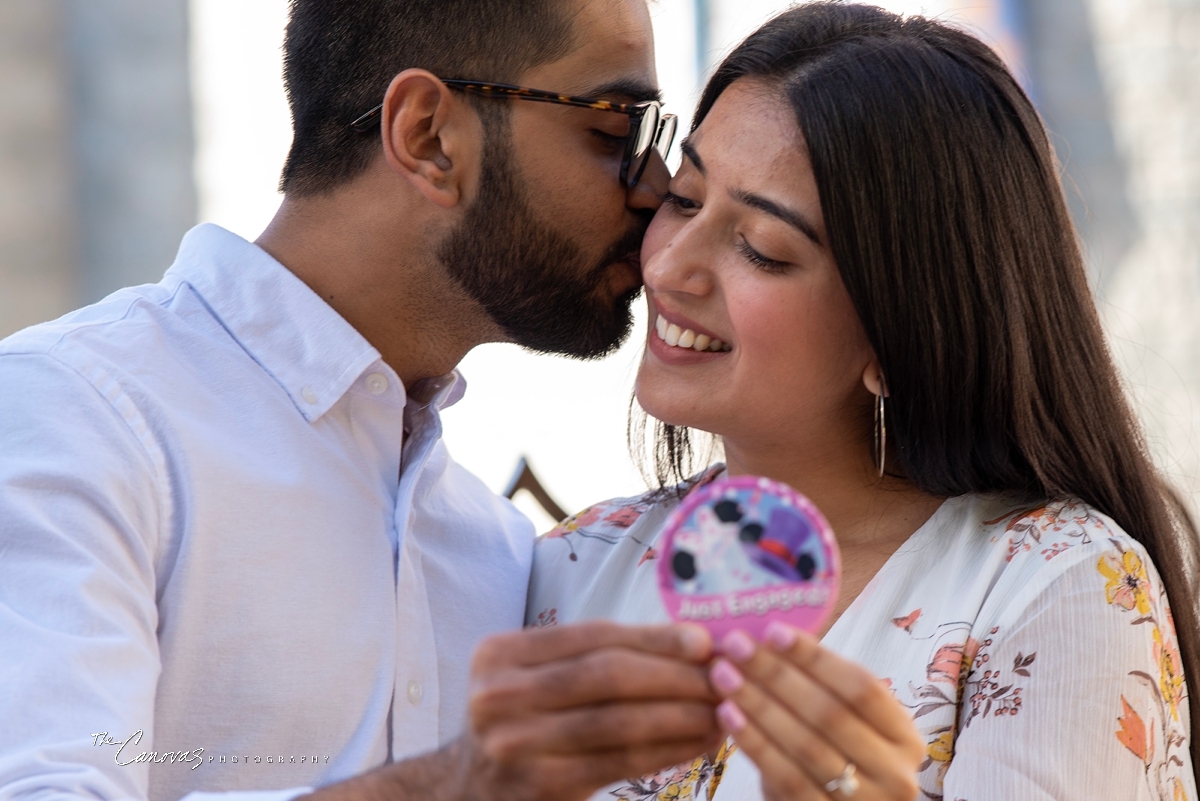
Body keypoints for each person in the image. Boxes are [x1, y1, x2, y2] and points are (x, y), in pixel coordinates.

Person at [0, 2, 724, 801]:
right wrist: (451, 784)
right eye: (618, 129)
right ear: (427, 136)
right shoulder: (75, 414)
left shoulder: (500, 552)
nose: (657, 188)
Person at [528, 4, 1200, 799]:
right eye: (682, 197)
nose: (673, 267)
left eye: (761, 249)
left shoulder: (1054, 586)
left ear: (899, 330)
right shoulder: (575, 567)